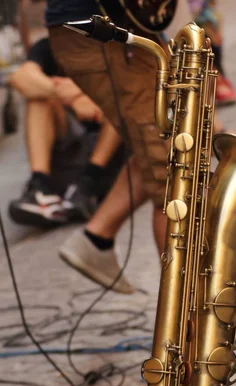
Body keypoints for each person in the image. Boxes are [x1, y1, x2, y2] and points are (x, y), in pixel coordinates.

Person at [44, 0, 169, 293]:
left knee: (167, 147)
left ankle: (96, 237)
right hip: (103, 33)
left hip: (124, 28)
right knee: (174, 178)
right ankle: (193, 320)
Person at [8, 36, 130, 232]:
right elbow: (20, 78)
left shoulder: (111, 41)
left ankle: (86, 188)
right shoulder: (51, 45)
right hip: (68, 147)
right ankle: (40, 188)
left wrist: (90, 95)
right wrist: (72, 98)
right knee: (38, 100)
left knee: (119, 101)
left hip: (109, 160)